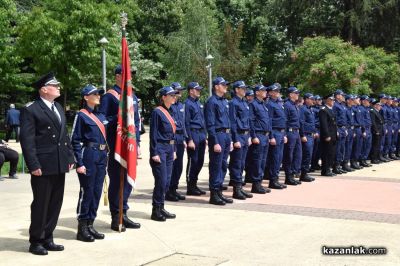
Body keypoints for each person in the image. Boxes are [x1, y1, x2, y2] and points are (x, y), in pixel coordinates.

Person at [20, 72, 75, 255]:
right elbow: (27, 141)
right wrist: (33, 164)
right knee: (41, 204)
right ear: (44, 89)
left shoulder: (58, 107)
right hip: (42, 165)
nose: (58, 87)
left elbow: (64, 137)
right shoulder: (31, 109)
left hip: (59, 162)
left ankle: (48, 237)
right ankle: (36, 241)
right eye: (55, 85)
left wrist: (69, 158)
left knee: (55, 203)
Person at [98, 65, 140, 232]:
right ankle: (116, 215)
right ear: (117, 76)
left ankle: (124, 211)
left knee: (128, 180)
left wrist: (137, 145)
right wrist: (120, 116)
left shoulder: (132, 95)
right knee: (116, 181)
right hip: (115, 145)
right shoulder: (110, 96)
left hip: (129, 145)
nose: (130, 77)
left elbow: (135, 123)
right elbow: (103, 120)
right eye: (126, 74)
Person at [71, 84, 107, 242]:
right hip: (89, 155)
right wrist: (79, 162)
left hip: (101, 155)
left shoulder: (101, 116)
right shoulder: (82, 115)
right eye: (95, 94)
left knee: (97, 191)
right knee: (87, 191)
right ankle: (82, 228)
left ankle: (91, 224)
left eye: (99, 94)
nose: (98, 96)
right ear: (86, 97)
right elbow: (75, 140)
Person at [149, 86, 178, 221]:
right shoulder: (157, 112)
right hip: (160, 149)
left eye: (174, 95)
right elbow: (153, 134)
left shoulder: (172, 111)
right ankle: (156, 210)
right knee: (161, 180)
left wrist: (174, 150)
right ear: (163, 97)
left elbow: (173, 134)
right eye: (171, 95)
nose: (174, 97)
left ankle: (161, 206)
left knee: (167, 181)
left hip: (169, 149)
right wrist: (154, 152)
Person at [205, 77, 233, 205]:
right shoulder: (212, 102)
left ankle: (219, 191)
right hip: (218, 135)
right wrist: (215, 141)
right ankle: (214, 193)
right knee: (216, 165)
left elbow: (229, 121)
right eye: (223, 85)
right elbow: (210, 124)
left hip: (226, 135)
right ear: (216, 86)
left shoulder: (225, 101)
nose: (226, 87)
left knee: (223, 165)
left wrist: (231, 139)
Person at [228, 81, 253, 199]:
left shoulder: (244, 102)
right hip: (238, 134)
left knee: (242, 163)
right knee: (236, 163)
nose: (244, 90)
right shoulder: (233, 103)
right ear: (236, 90)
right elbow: (232, 122)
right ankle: (236, 189)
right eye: (242, 88)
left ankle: (240, 187)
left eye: (245, 88)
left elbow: (247, 120)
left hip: (245, 135)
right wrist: (235, 139)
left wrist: (248, 136)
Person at [247, 84, 271, 194]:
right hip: (259, 135)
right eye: (263, 90)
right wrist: (254, 136)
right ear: (257, 92)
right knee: (257, 160)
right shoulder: (253, 104)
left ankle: (259, 183)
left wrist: (269, 136)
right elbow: (251, 121)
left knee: (263, 161)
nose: (265, 91)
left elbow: (267, 121)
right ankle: (255, 184)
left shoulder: (264, 104)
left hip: (265, 136)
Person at [184, 82, 207, 196]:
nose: (199, 91)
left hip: (201, 134)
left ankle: (195, 184)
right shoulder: (187, 104)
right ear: (191, 91)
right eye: (196, 89)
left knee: (200, 161)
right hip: (193, 134)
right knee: (193, 161)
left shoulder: (198, 102)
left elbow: (203, 120)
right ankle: (190, 186)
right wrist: (190, 139)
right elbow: (187, 123)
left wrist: (205, 136)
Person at [166, 82, 186, 201]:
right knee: (171, 166)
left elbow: (184, 123)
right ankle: (168, 191)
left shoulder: (181, 105)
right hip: (173, 138)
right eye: (178, 90)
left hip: (180, 138)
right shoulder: (170, 106)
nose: (180, 92)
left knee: (178, 166)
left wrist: (184, 138)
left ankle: (174, 189)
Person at [265, 83, 287, 189]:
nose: (278, 93)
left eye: (278, 91)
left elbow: (283, 120)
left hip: (281, 132)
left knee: (279, 157)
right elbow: (269, 121)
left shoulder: (278, 103)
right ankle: (272, 179)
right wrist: (271, 136)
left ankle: (276, 178)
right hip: (275, 132)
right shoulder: (269, 104)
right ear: (270, 93)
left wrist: (285, 134)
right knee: (274, 157)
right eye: (275, 91)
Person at [282, 86, 303, 185]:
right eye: (296, 93)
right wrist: (285, 134)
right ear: (291, 94)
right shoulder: (287, 105)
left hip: (296, 132)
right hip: (290, 132)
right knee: (289, 155)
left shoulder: (295, 105)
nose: (298, 95)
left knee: (297, 154)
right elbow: (285, 121)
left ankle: (293, 173)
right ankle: (288, 176)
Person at [299, 93, 316, 182]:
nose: (313, 100)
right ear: (306, 99)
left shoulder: (310, 109)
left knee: (309, 154)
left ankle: (305, 172)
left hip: (310, 135)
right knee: (306, 154)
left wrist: (314, 132)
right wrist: (302, 135)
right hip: (306, 134)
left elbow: (312, 123)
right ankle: (303, 174)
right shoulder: (303, 109)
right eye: (311, 99)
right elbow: (301, 123)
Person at [319, 94, 337, 176]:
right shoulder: (323, 110)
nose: (333, 101)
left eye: (333, 100)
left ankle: (329, 169)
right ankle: (325, 170)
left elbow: (333, 123)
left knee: (331, 153)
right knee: (326, 153)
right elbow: (324, 124)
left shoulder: (330, 109)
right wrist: (326, 135)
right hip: (328, 136)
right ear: (327, 100)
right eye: (331, 100)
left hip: (333, 135)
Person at [332, 89, 348, 174]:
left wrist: (345, 129)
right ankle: (335, 166)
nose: (343, 97)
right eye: (342, 95)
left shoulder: (342, 105)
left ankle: (339, 165)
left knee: (342, 148)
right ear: (338, 96)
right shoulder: (335, 105)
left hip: (343, 128)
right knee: (337, 148)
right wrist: (336, 130)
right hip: (338, 128)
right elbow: (334, 119)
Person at [369, 99, 384, 164]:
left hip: (380, 130)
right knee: (375, 145)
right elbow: (373, 122)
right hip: (376, 131)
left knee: (378, 144)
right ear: (375, 105)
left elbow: (381, 122)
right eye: (379, 105)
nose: (380, 106)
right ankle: (373, 158)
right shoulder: (372, 111)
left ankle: (377, 157)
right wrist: (376, 130)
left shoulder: (377, 111)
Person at [359, 95, 372, 167]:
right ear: (363, 101)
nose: (368, 102)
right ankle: (362, 160)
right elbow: (362, 120)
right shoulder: (361, 109)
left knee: (368, 145)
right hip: (365, 128)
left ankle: (364, 159)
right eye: (367, 100)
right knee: (364, 145)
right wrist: (363, 130)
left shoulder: (367, 108)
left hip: (369, 128)